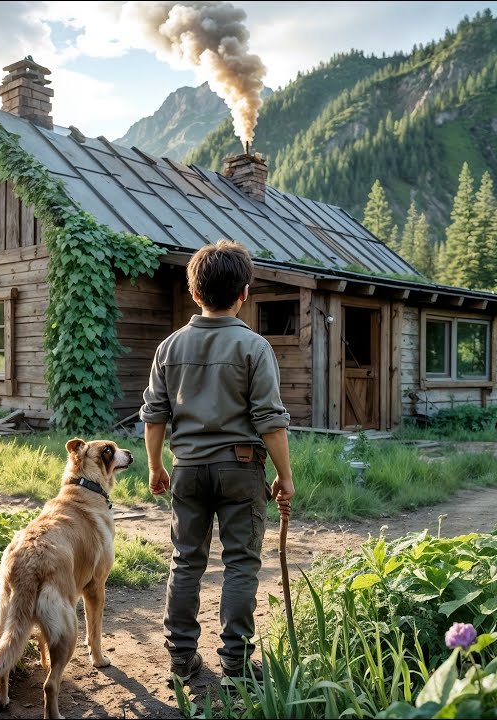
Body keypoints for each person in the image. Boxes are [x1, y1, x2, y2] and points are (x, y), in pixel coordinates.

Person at [140, 239, 294, 683]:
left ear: (194, 292)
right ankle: (236, 664)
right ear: (244, 292)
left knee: (186, 560)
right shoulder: (255, 348)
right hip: (241, 469)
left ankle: (181, 661)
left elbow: (155, 414)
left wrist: (155, 466)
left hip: (186, 469)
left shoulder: (169, 348)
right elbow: (270, 420)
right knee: (241, 563)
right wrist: (284, 475)